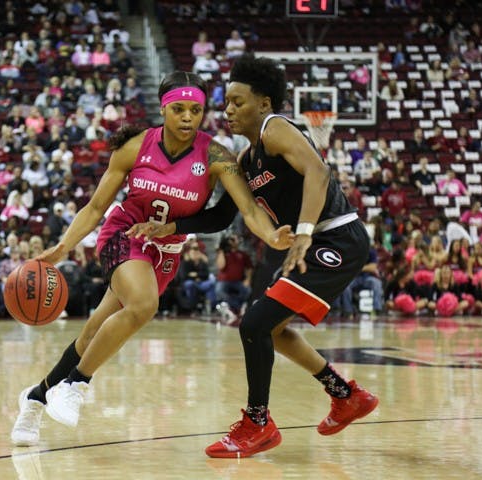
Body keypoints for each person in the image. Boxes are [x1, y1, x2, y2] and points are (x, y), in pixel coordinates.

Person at [10, 71, 293, 446]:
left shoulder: (216, 155)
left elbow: (248, 209)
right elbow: (95, 207)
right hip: (124, 234)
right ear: (163, 108)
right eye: (179, 109)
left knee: (96, 330)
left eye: (196, 110)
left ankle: (36, 398)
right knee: (144, 305)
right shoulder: (134, 147)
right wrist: (63, 248)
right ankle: (76, 384)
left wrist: (271, 235)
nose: (188, 117)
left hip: (166, 252)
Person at [128, 54, 379, 458]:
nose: (228, 109)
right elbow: (221, 216)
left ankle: (258, 423)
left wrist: (303, 232)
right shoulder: (246, 160)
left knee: (255, 324)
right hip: (313, 242)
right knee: (269, 328)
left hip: (336, 237)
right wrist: (170, 226)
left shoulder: (274, 127)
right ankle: (346, 396)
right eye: (226, 102)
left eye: (237, 101)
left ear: (263, 104)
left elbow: (318, 172)